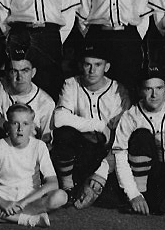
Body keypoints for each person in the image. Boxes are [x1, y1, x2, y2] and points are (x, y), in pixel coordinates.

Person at [85, 66, 165, 214]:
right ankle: (142, 195)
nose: (154, 94)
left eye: (159, 88)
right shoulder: (130, 115)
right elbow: (119, 157)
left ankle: (153, 199)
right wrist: (134, 194)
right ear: (140, 90)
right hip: (142, 174)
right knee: (141, 135)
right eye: (148, 89)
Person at [0, 103, 67, 227]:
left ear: (32, 127)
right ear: (7, 126)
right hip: (3, 195)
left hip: (29, 197)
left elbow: (53, 183)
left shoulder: (39, 146)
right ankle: (27, 219)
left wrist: (24, 202)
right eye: (15, 123)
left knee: (60, 196)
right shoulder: (0, 145)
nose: (20, 128)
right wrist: (1, 202)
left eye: (25, 124)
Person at [51, 44, 130, 201]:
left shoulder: (117, 90)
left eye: (98, 65)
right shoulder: (71, 83)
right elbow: (59, 119)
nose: (92, 70)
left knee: (110, 199)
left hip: (106, 153)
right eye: (87, 64)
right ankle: (68, 186)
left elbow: (122, 133)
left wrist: (104, 168)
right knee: (64, 133)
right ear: (81, 65)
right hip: (80, 150)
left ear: (106, 67)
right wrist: (100, 125)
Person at [0, 47, 55, 151]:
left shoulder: (46, 102)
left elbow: (46, 140)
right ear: (7, 73)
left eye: (25, 71)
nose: (19, 77)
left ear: (33, 72)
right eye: (14, 71)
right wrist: (10, 126)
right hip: (3, 151)